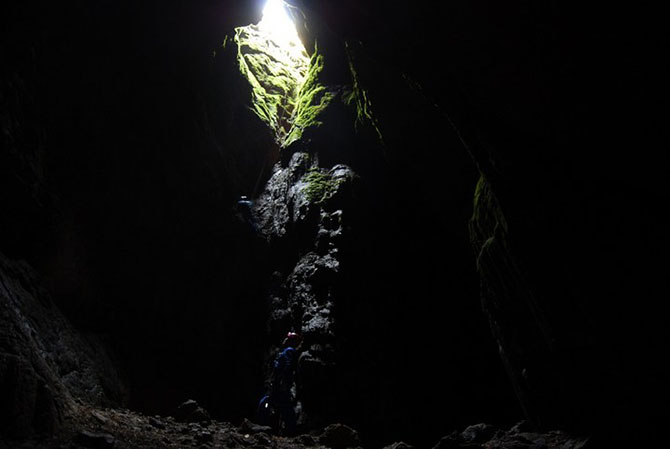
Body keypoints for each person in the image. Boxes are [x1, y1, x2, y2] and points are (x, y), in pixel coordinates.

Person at [259, 332, 302, 435]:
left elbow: (288, 366)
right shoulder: (286, 351)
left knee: (277, 404)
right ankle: (287, 428)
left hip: (280, 384)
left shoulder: (289, 351)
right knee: (278, 404)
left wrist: (283, 381)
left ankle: (289, 429)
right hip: (279, 383)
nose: (285, 340)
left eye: (288, 339)